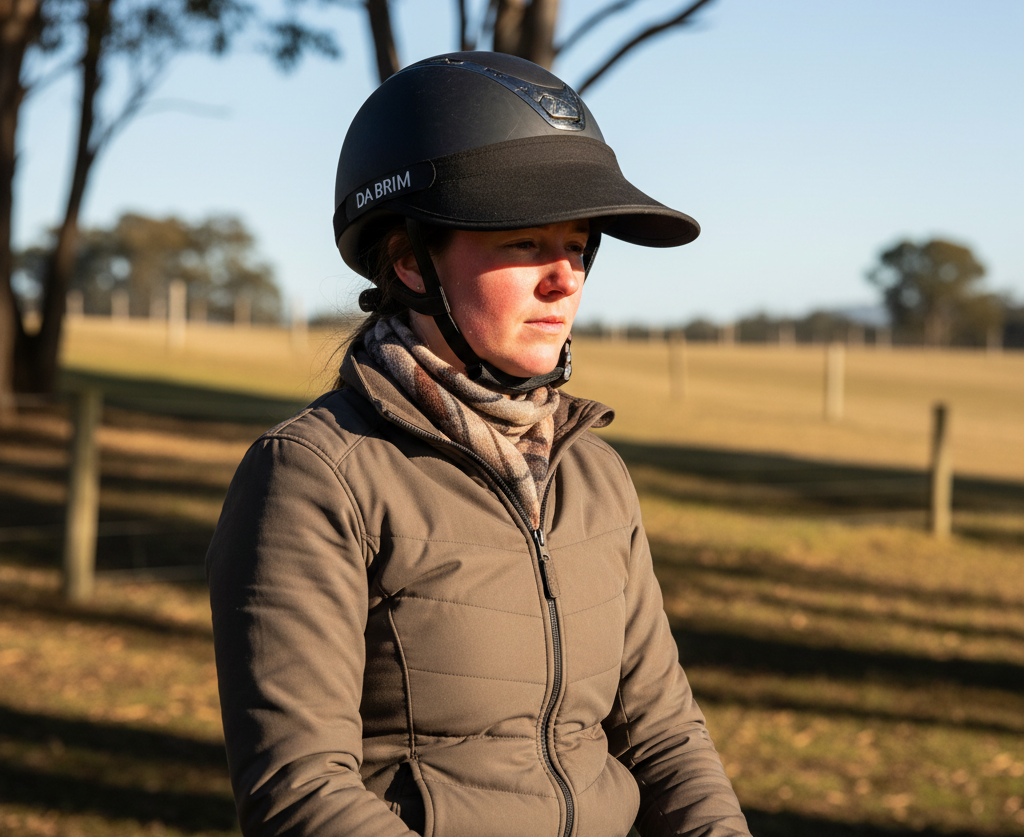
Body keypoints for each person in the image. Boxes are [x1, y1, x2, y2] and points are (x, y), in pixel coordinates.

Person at [207, 52, 750, 837]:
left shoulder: (593, 473)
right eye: (526, 244)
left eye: (578, 242)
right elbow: (299, 793)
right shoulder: (314, 476)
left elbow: (664, 735)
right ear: (408, 262)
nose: (565, 279)